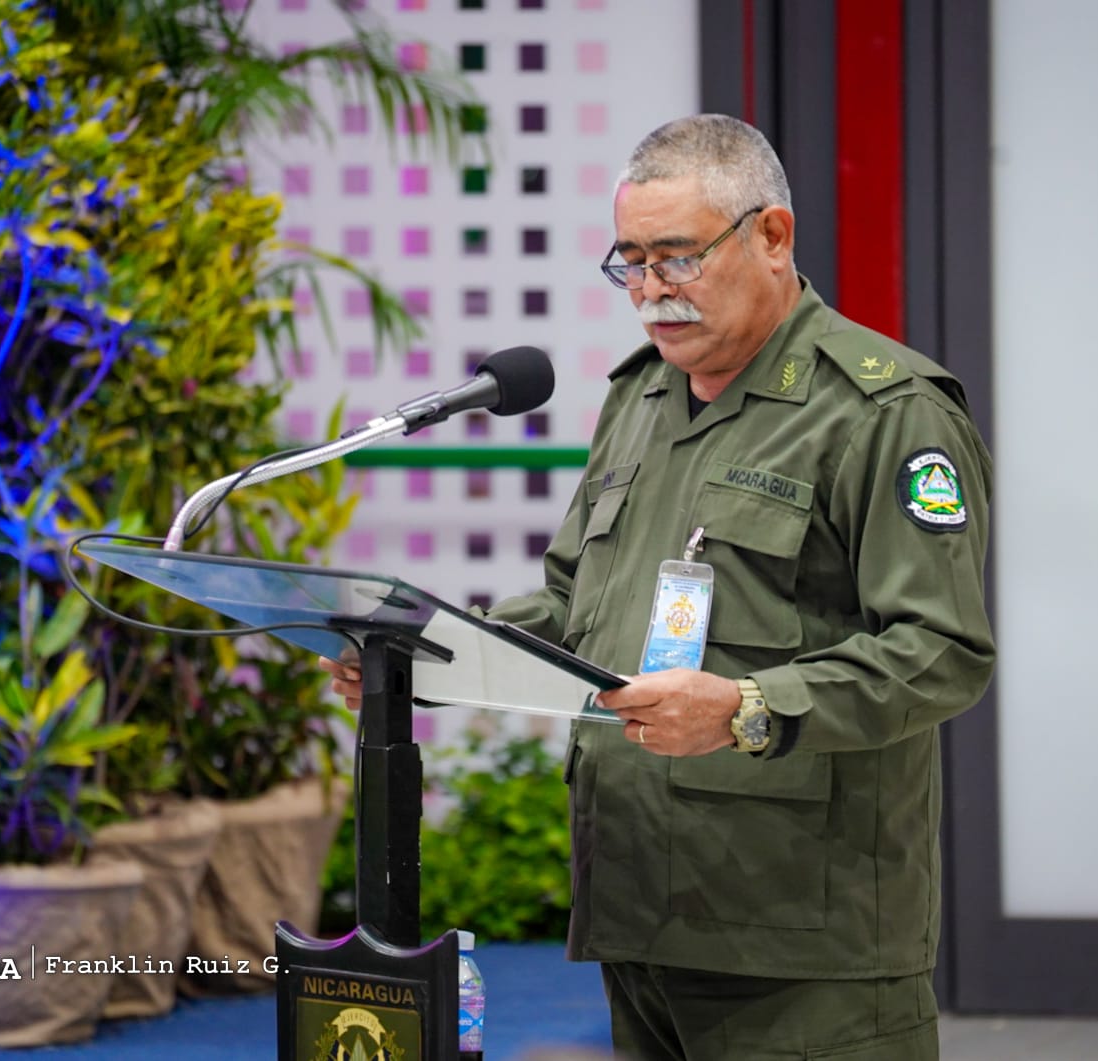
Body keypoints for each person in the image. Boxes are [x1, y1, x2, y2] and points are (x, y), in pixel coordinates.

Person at [320, 113, 995, 1061]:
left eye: (676, 259)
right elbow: (574, 605)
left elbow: (942, 651)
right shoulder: (640, 396)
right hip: (639, 911)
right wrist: (422, 655)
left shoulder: (884, 411)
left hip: (800, 943)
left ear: (771, 236)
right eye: (629, 261)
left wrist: (749, 706)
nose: (649, 292)